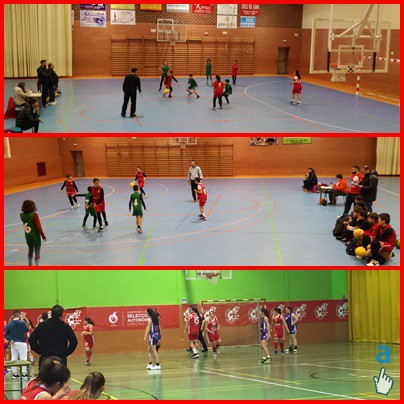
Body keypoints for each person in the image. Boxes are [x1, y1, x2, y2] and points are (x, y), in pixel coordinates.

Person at [4, 310, 31, 378]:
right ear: (19, 315)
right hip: (22, 342)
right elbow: (27, 329)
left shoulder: (9, 324)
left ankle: (15, 374)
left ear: (13, 316)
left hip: (13, 343)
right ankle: (24, 374)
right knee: (23, 358)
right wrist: (23, 318)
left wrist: (10, 339)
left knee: (14, 358)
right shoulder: (22, 323)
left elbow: (6, 335)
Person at [20, 200, 46, 266]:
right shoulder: (34, 215)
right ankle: (37, 266)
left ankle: (30, 265)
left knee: (30, 250)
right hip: (35, 236)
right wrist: (43, 236)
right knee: (37, 252)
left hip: (27, 236)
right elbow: (39, 227)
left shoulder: (22, 215)